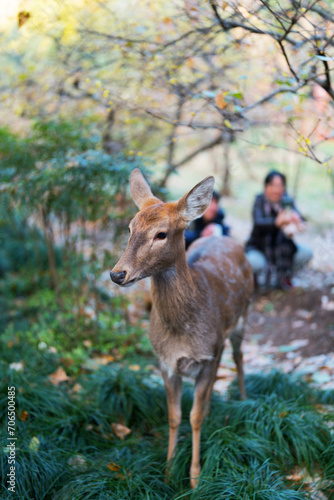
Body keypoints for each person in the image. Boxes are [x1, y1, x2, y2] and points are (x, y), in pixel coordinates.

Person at [245, 170, 313, 290]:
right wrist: (277, 223)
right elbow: (258, 223)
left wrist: (297, 220)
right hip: (260, 248)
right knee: (253, 262)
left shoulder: (287, 202)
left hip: (284, 250)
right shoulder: (259, 201)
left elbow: (301, 220)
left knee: (306, 253)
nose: (277, 189)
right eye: (273, 185)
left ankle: (285, 277)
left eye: (280, 185)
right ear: (266, 187)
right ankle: (257, 280)